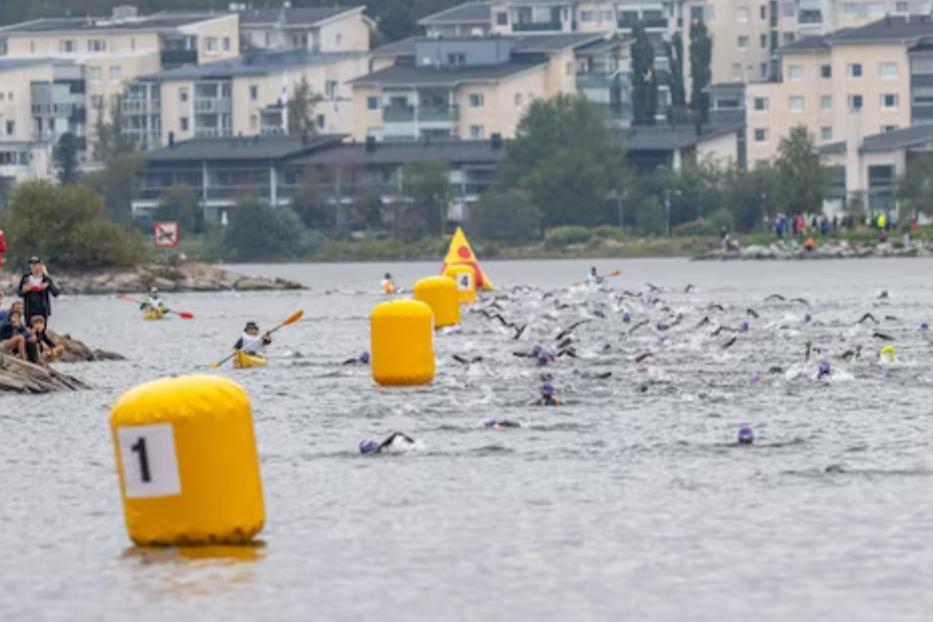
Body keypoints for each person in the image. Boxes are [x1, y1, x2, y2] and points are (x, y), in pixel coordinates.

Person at [19, 257, 60, 325]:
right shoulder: (26, 278)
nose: (34, 266)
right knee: (30, 331)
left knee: (41, 331)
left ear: (41, 265)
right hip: (29, 310)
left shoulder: (45, 278)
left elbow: (56, 293)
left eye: (36, 264)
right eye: (32, 264)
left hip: (43, 310)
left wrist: (48, 285)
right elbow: (19, 293)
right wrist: (25, 290)